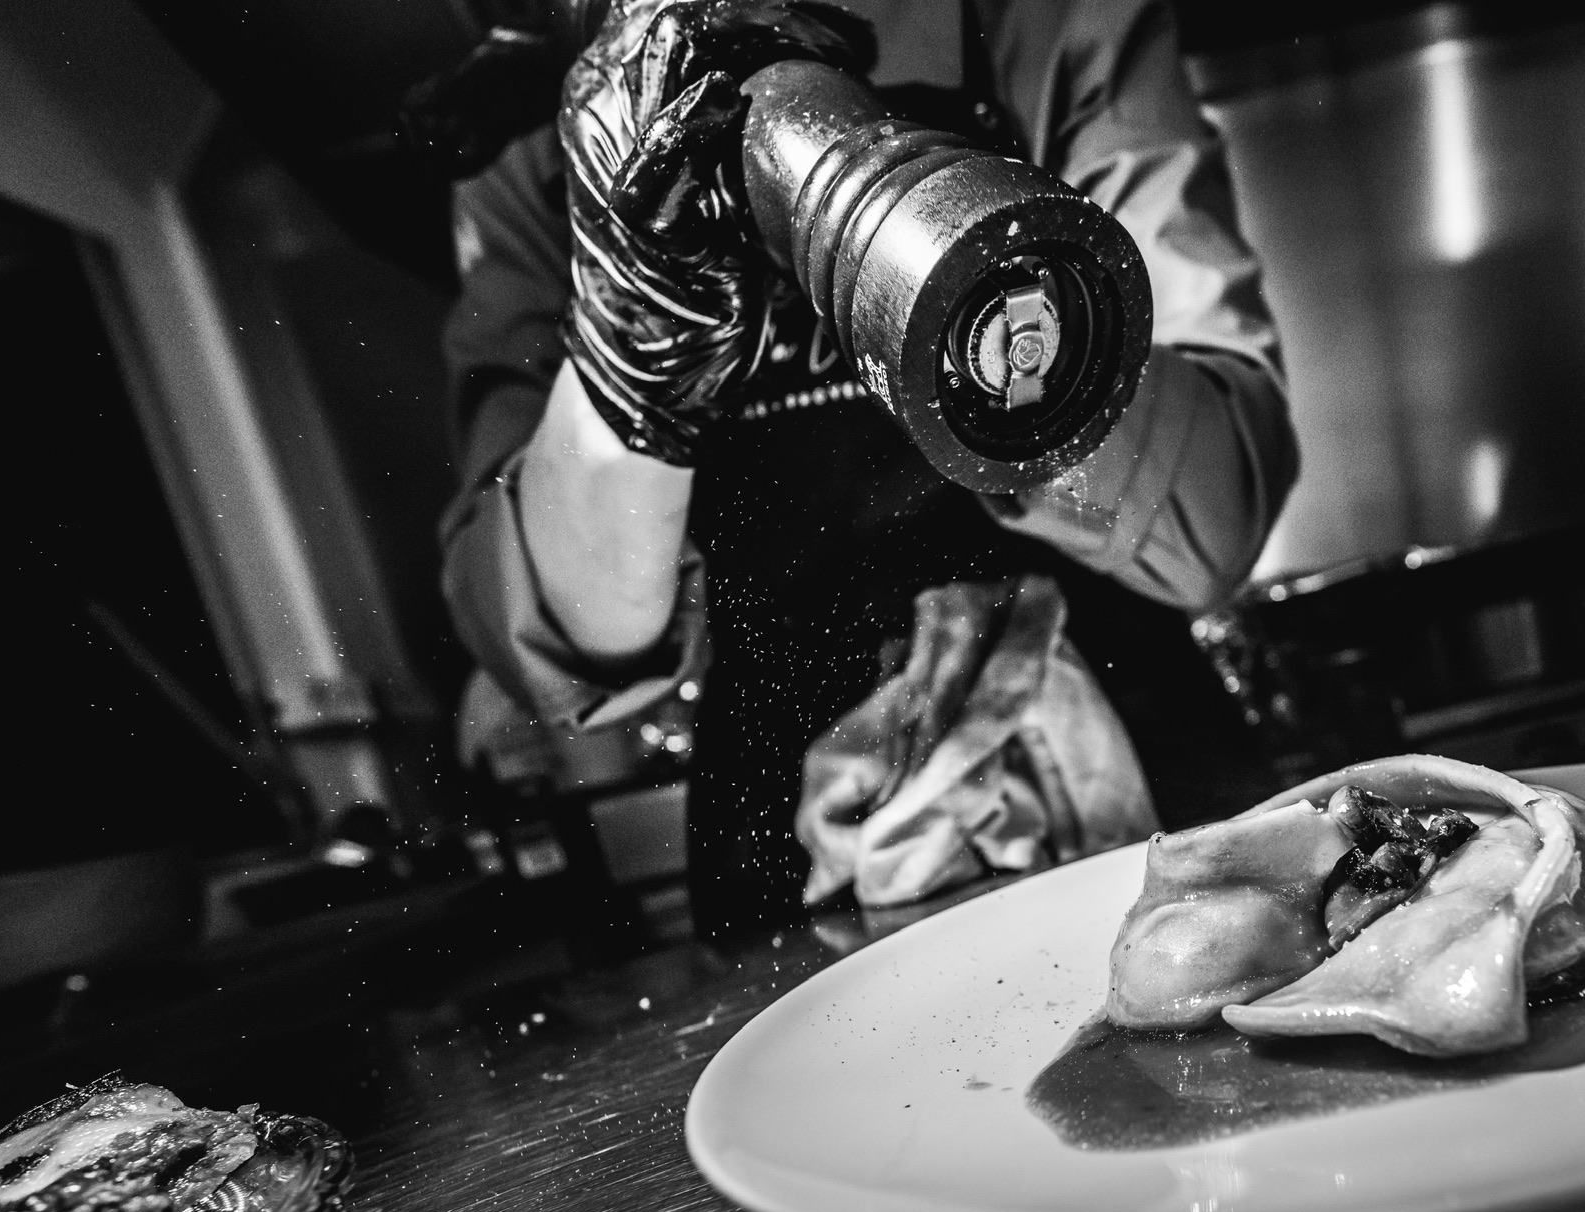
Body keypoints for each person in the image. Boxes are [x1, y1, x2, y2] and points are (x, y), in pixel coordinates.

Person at [439, 0, 1298, 931]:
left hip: (1127, 765)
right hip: (789, 827)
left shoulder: (1048, 20)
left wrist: (911, 231)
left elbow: (1211, 529)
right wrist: (634, 341)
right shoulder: (543, 138)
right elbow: (558, 660)